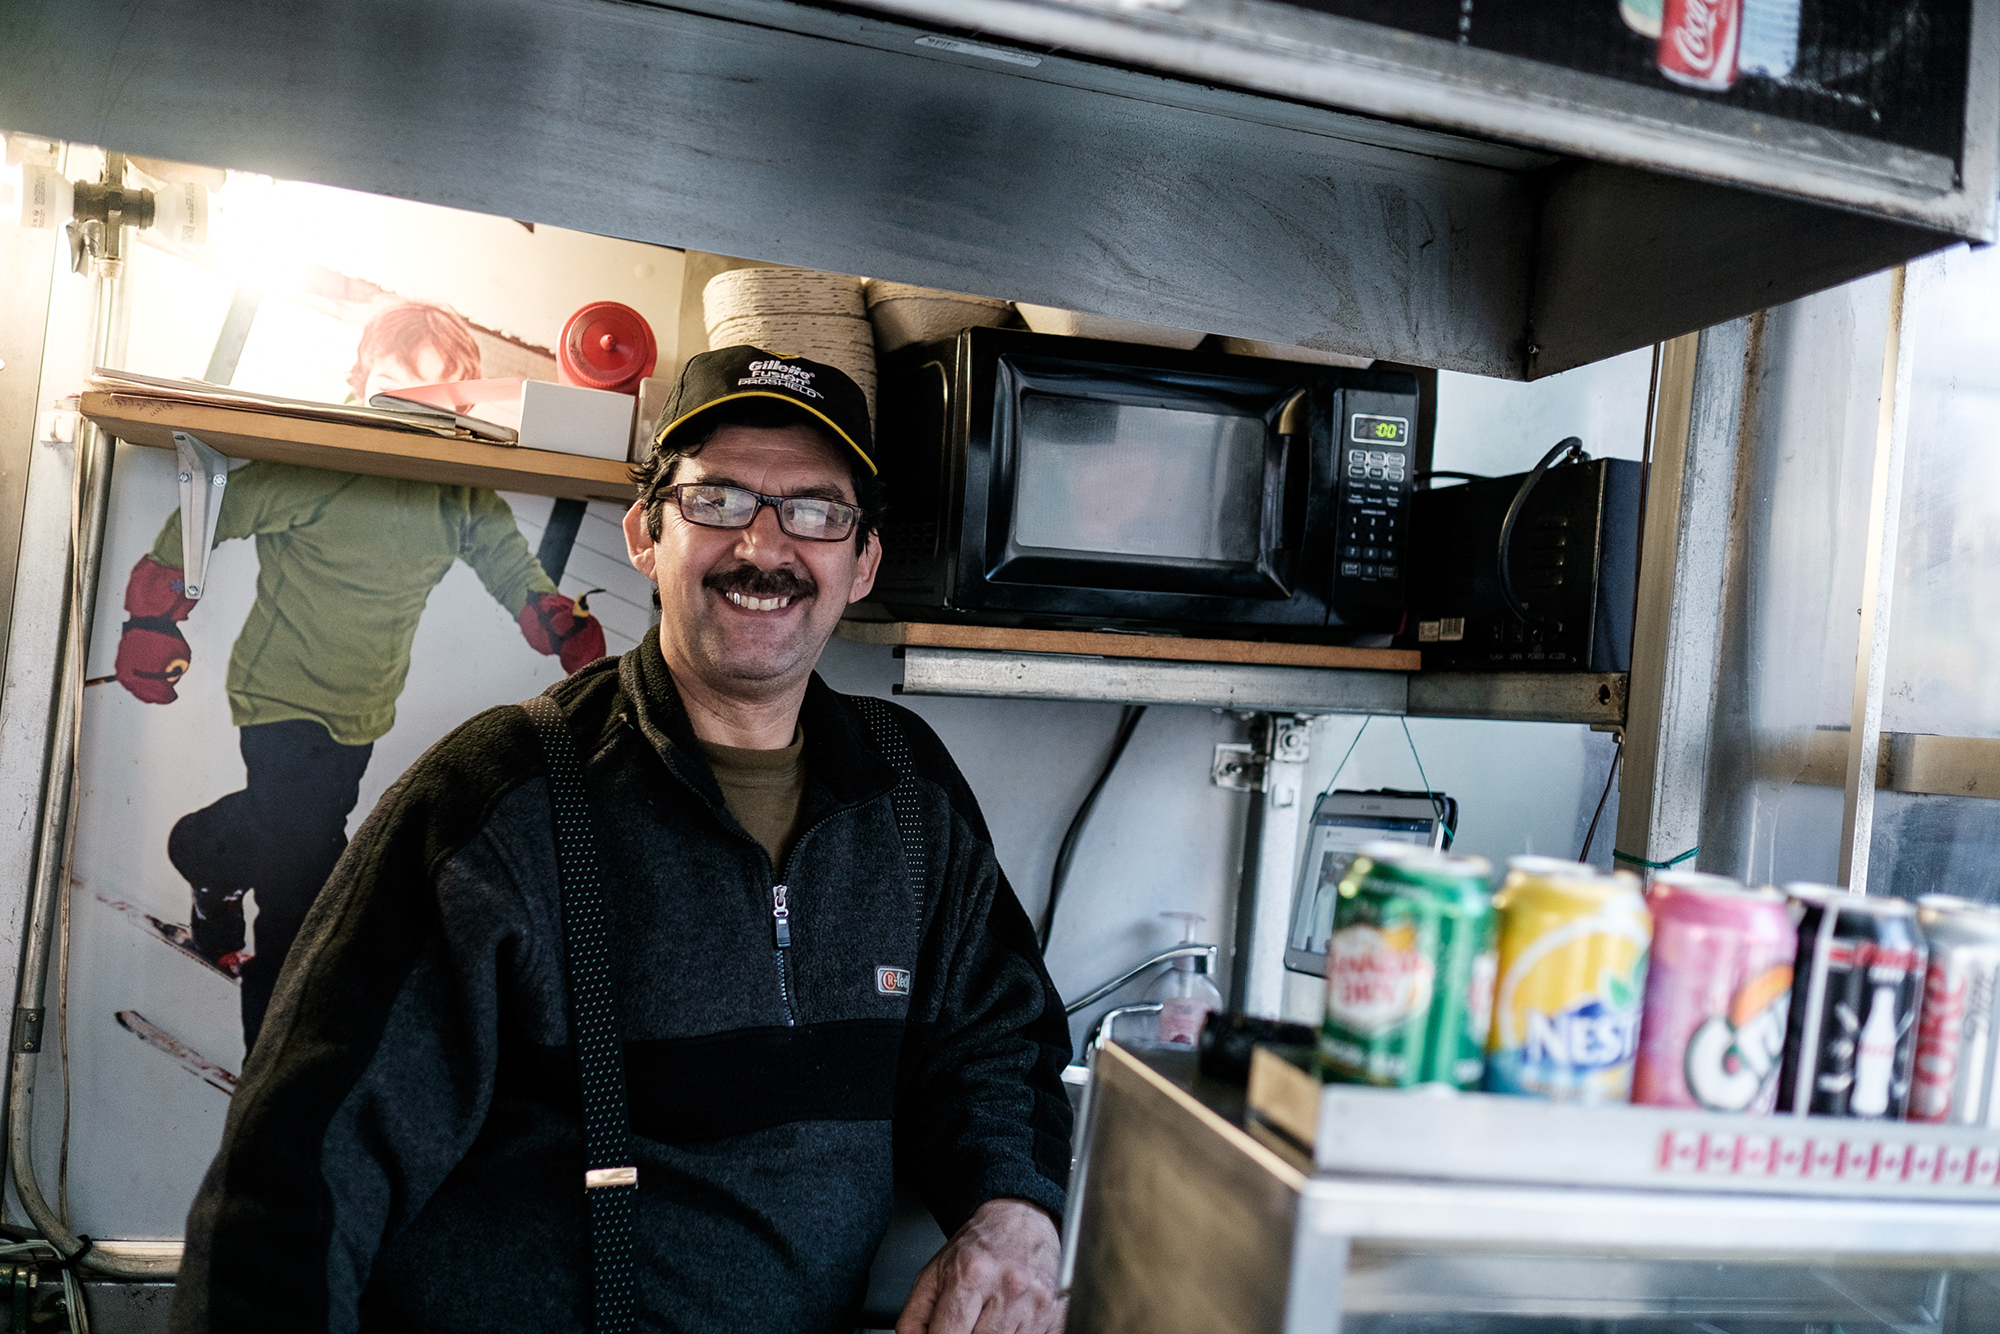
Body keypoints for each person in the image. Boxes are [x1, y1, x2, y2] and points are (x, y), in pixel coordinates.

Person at [172, 345, 1073, 1333]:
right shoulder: (497, 797)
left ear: (861, 562)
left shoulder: (908, 787)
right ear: (646, 533)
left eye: (816, 511)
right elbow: (298, 1173)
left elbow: (995, 1036)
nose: (764, 546)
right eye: (717, 499)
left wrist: (1011, 1209)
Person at [114, 299, 605, 1049]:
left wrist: (551, 616)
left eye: (440, 395)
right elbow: (217, 507)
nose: (418, 410)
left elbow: (507, 562)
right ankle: (279, 1054)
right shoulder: (324, 466)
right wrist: (151, 617)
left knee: (299, 832)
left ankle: (205, 857)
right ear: (359, 378)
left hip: (364, 710)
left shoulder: (457, 491)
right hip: (280, 694)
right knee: (306, 882)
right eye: (400, 385)